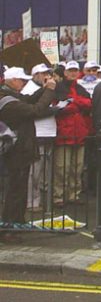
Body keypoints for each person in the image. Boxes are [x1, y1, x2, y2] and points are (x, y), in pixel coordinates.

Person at [0, 67, 56, 224]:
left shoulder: (11, 96)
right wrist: (49, 91)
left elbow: (28, 99)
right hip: (16, 150)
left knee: (19, 189)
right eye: (22, 81)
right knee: (15, 190)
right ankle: (10, 224)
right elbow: (35, 110)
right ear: (13, 81)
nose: (24, 83)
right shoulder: (8, 102)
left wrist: (44, 89)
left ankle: (16, 221)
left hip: (20, 149)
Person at [53, 60, 92, 206]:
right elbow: (59, 108)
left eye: (75, 70)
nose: (73, 73)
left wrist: (73, 101)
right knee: (62, 168)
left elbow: (88, 104)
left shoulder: (81, 88)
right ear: (65, 72)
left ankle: (73, 195)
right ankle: (59, 196)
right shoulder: (58, 88)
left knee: (78, 167)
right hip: (64, 134)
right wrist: (77, 103)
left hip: (79, 134)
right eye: (70, 70)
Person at [22, 64, 57, 212]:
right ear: (35, 75)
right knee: (34, 171)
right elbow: (34, 110)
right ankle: (32, 201)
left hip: (49, 132)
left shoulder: (45, 88)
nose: (46, 76)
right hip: (37, 133)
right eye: (42, 73)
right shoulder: (29, 89)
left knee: (44, 171)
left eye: (47, 73)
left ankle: (40, 199)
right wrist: (52, 110)